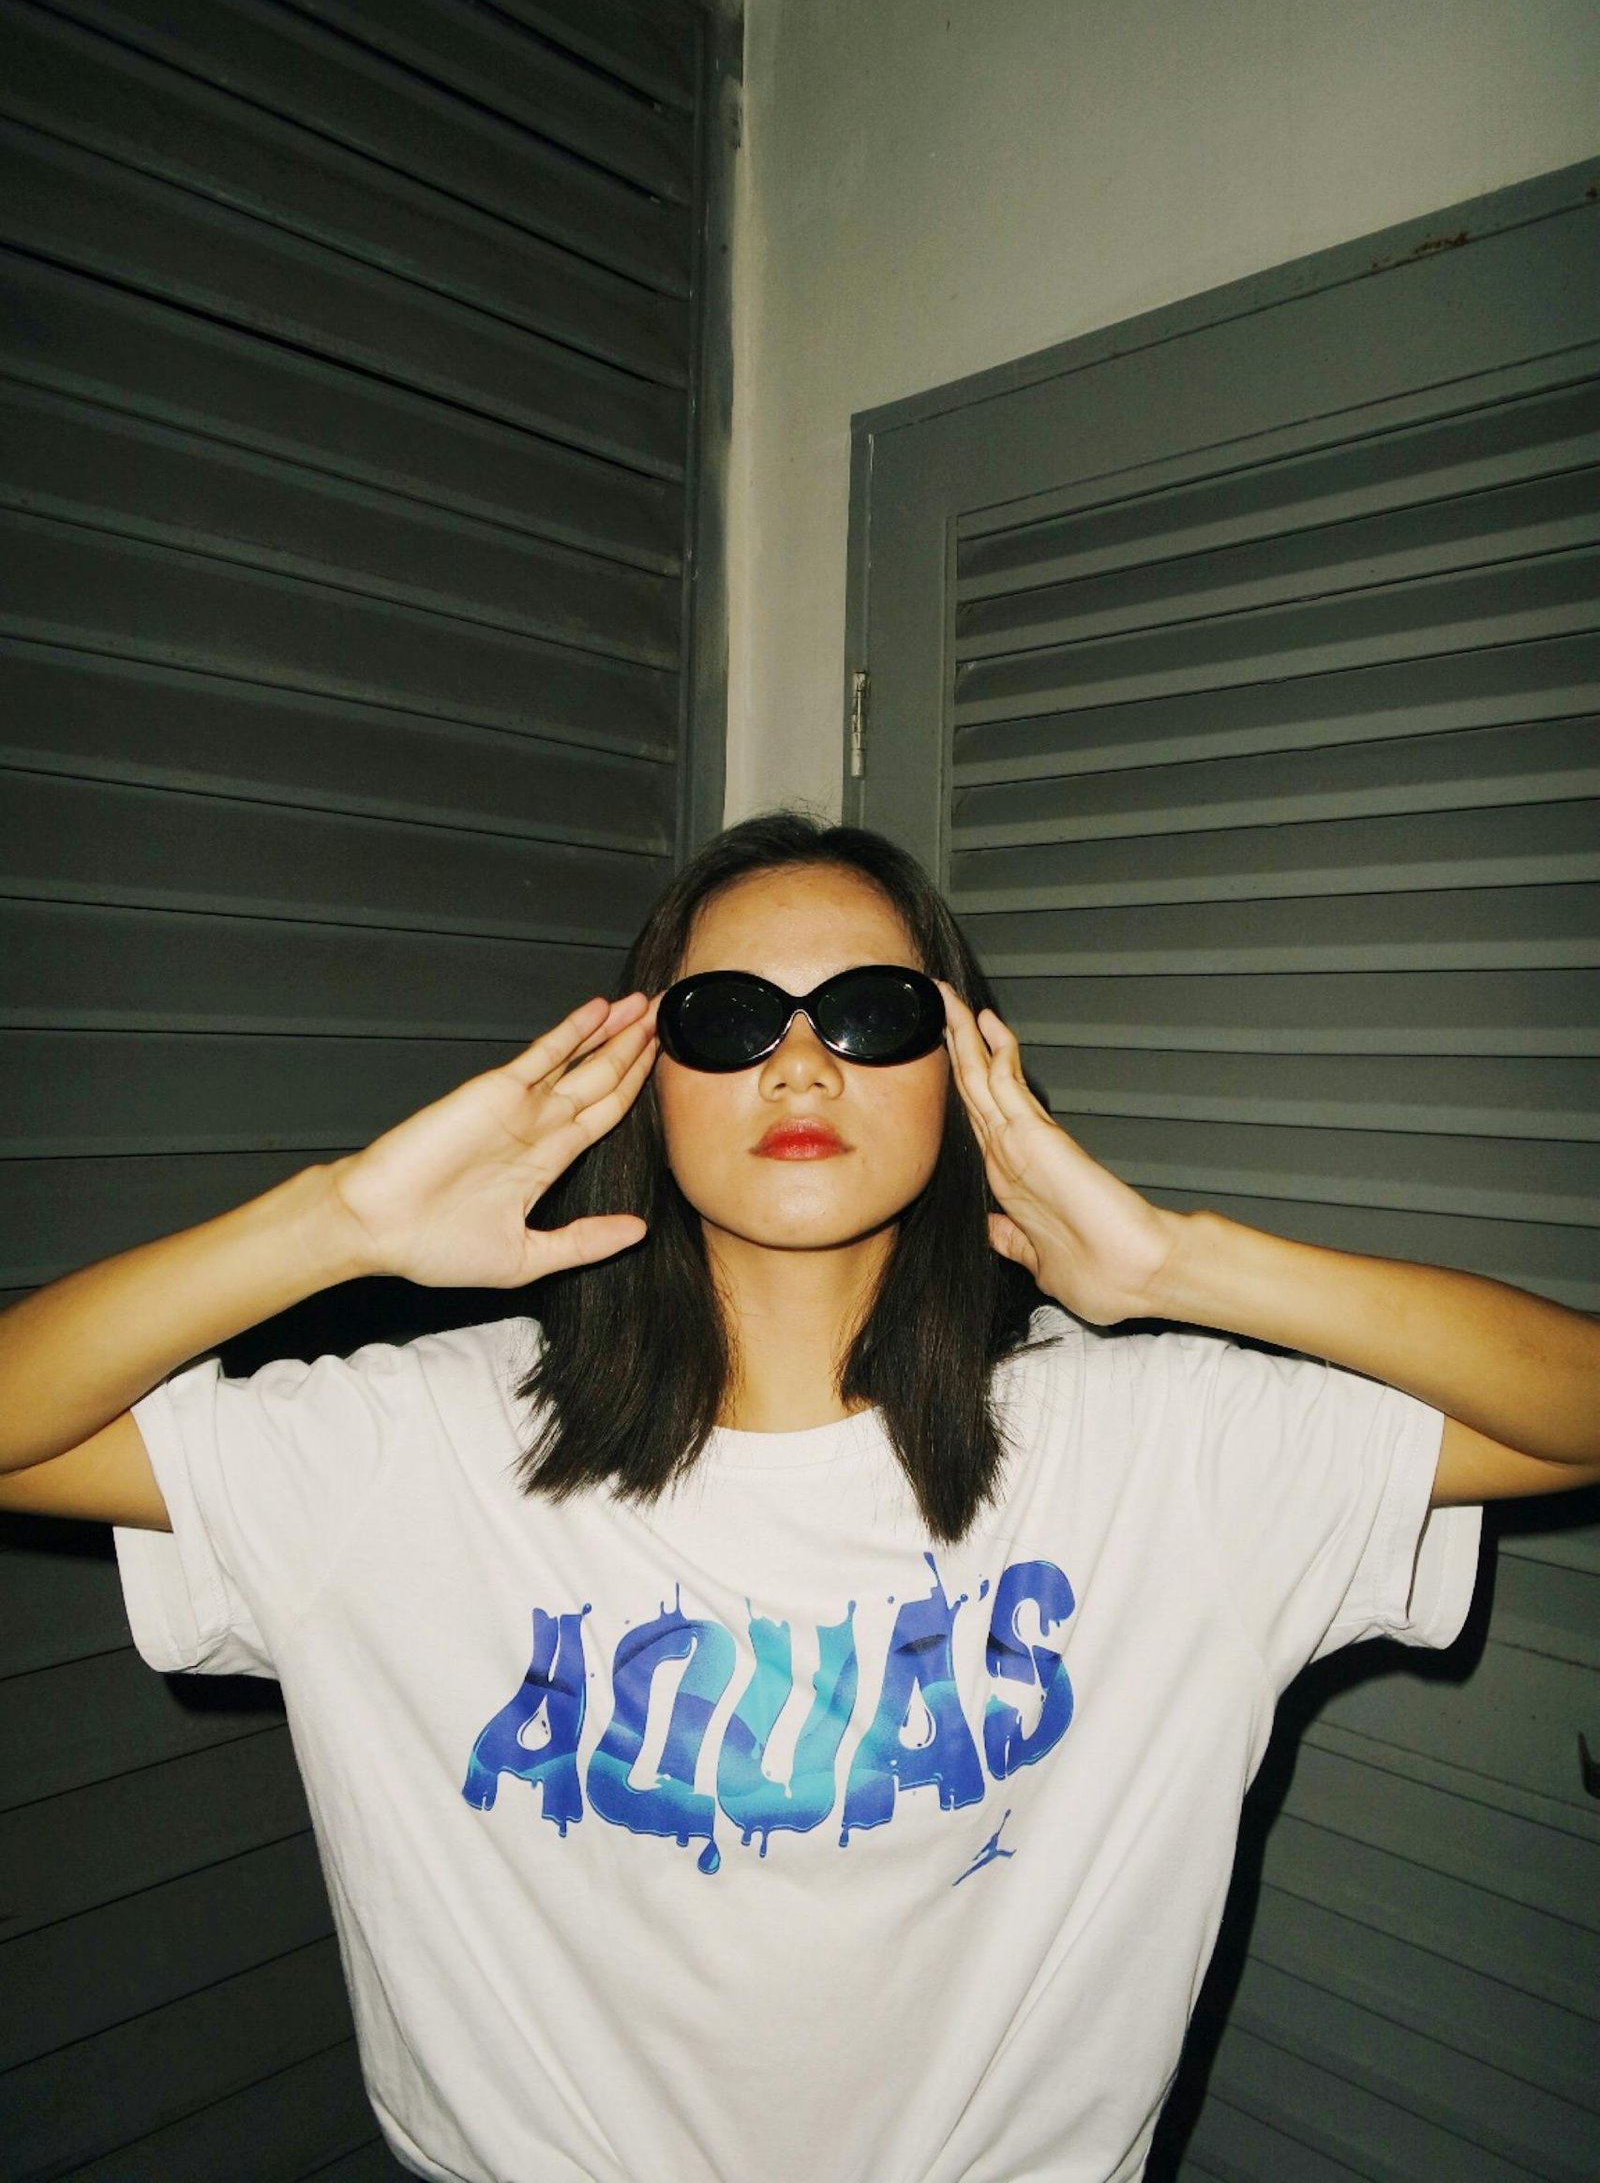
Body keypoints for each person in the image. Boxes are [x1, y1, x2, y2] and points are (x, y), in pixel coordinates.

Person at [2, 809, 1596, 2183]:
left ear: (966, 1066)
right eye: (729, 1018)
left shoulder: (1153, 1451)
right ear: (646, 1074)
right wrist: (336, 1223)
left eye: (872, 1011)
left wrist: (1180, 1262)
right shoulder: (414, 1444)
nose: (799, 1059)